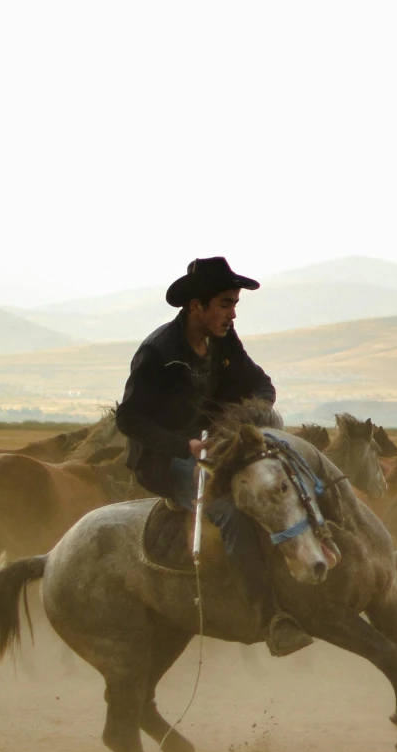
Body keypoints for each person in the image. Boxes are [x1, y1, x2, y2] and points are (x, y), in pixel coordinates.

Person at [115, 256, 312, 656]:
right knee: (233, 511)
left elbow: (260, 382)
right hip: (166, 459)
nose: (232, 313)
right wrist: (181, 445)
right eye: (225, 304)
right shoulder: (158, 352)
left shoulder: (224, 340)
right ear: (196, 307)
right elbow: (130, 418)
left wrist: (253, 412)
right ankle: (269, 618)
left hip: (218, 449)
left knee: (286, 478)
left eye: (235, 304)